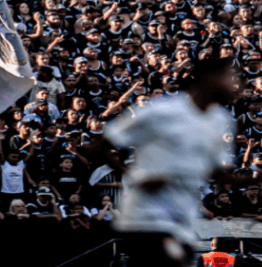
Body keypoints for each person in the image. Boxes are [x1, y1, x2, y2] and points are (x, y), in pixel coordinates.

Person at [105, 56, 248, 267]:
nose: (237, 85)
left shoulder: (221, 120)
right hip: (146, 214)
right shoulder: (162, 110)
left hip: (182, 214)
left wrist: (247, 179)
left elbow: (214, 172)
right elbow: (102, 143)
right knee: (170, 259)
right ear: (210, 78)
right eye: (230, 78)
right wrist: (134, 175)